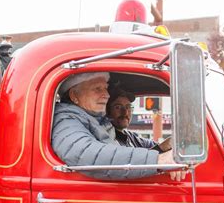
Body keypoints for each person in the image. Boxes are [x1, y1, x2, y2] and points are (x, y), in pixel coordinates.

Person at [52, 72, 185, 181]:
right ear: (74, 95)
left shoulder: (97, 121)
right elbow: (85, 153)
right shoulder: (66, 119)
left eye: (105, 88)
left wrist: (165, 147)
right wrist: (160, 160)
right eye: (98, 89)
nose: (107, 95)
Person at [106, 85, 171, 152]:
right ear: (106, 111)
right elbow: (127, 160)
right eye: (118, 107)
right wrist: (161, 148)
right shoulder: (107, 138)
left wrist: (168, 144)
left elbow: (153, 145)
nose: (125, 112)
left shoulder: (130, 136)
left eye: (128, 107)